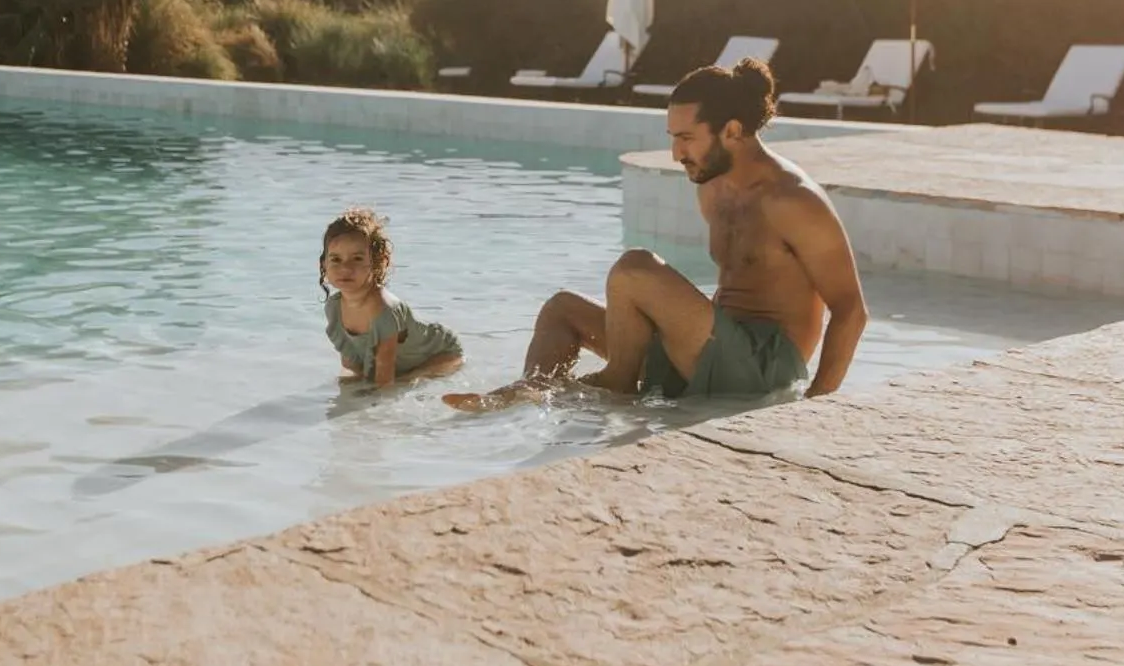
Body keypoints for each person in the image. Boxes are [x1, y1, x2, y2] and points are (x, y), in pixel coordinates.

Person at [445, 58, 866, 411]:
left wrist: (816, 406)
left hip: (761, 368)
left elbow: (851, 311)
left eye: (686, 138)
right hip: (711, 349)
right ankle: (533, 390)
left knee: (634, 269)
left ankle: (616, 386)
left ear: (733, 132)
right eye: (673, 138)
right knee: (562, 309)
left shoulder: (793, 201)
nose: (676, 154)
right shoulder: (713, 187)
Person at [320, 207, 464, 389]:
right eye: (336, 259)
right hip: (398, 363)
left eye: (357, 258)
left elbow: (384, 380)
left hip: (440, 355)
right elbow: (352, 367)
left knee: (406, 381)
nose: (345, 268)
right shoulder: (334, 309)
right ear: (324, 263)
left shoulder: (384, 310)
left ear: (377, 262)